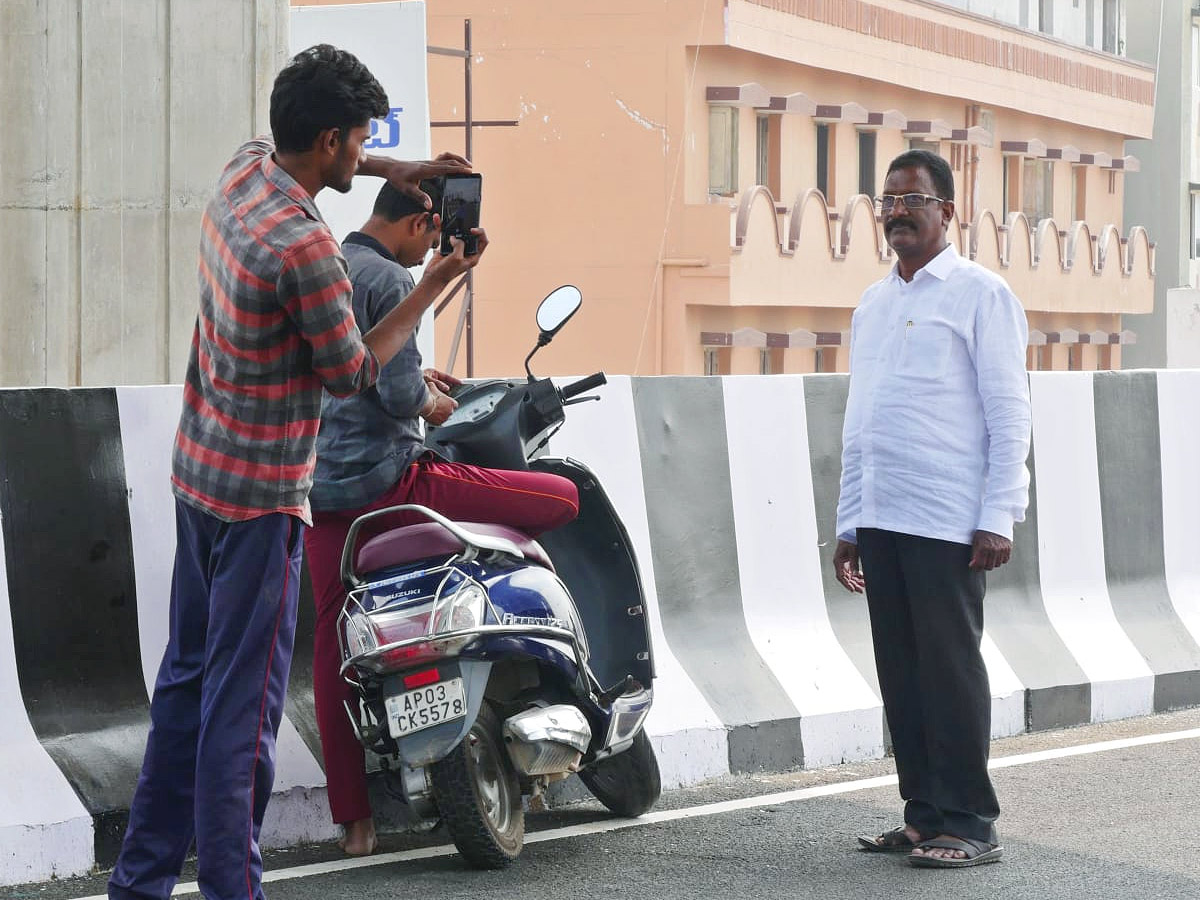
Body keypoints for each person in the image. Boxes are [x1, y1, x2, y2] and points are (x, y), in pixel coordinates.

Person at [107, 44, 483, 900]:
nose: (364, 155)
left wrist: (406, 165)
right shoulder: (308, 248)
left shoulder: (245, 175)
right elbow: (354, 371)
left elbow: (313, 153)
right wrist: (434, 285)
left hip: (197, 476)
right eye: (357, 142)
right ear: (325, 142)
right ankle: (233, 888)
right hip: (261, 504)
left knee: (185, 689)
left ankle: (142, 882)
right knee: (241, 720)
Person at [303, 179, 580, 857]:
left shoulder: (333, 264)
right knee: (560, 498)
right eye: (436, 230)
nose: (437, 243)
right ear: (423, 220)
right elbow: (396, 394)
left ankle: (356, 823)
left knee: (329, 644)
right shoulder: (394, 278)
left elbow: (357, 372)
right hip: (398, 485)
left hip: (326, 499)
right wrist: (431, 405)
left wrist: (423, 380)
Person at [833, 149, 1031, 869]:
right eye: (887, 201)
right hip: (884, 515)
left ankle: (971, 823)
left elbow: (1010, 412)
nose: (897, 212)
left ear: (947, 211)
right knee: (902, 674)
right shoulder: (874, 302)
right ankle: (922, 815)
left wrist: (999, 512)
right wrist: (849, 522)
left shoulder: (982, 294)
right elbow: (861, 421)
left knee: (949, 671)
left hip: (949, 518)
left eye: (912, 200)